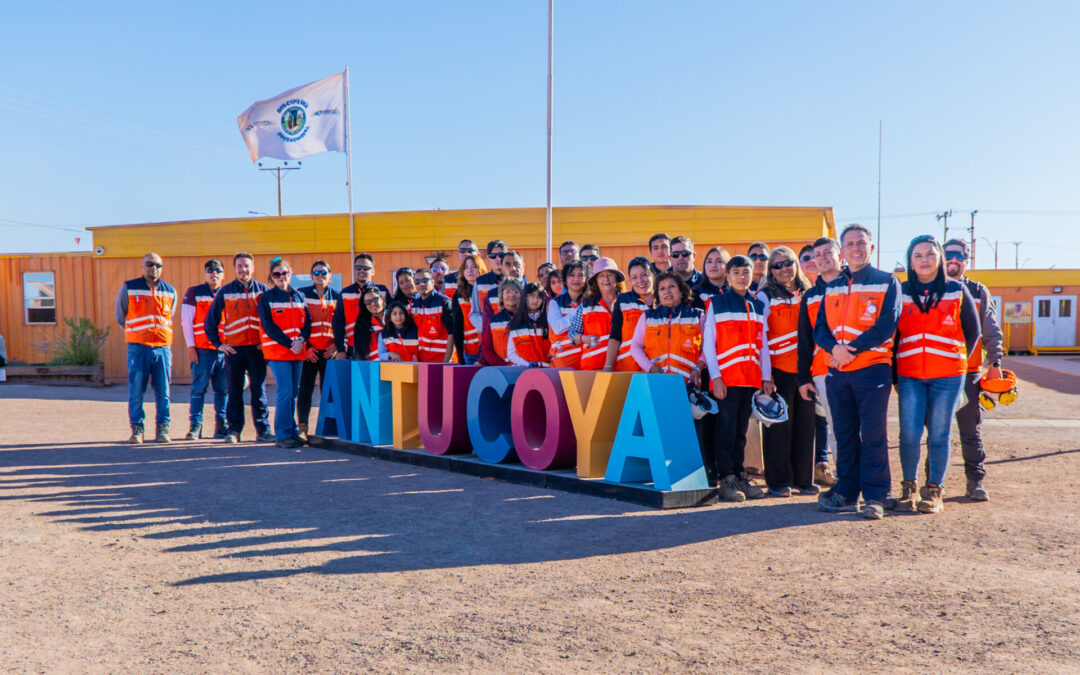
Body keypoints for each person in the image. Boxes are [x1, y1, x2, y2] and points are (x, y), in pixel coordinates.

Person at [814, 224, 902, 520]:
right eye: (849, 243)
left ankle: (877, 495)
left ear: (871, 247)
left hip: (873, 370)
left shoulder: (887, 281)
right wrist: (834, 350)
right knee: (845, 434)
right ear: (843, 250)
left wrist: (849, 349)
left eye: (860, 243)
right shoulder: (833, 285)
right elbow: (820, 329)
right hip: (838, 373)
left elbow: (886, 326)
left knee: (873, 434)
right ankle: (847, 492)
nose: (855, 248)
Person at [893, 235, 980, 513]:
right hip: (909, 375)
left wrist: (957, 362)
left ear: (939, 257)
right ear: (910, 261)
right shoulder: (900, 291)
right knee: (908, 432)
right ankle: (908, 488)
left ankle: (934, 491)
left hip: (948, 376)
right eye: (917, 255)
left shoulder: (956, 290)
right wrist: (895, 375)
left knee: (940, 434)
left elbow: (973, 331)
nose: (924, 260)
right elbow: (893, 334)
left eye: (930, 254)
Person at [944, 238, 1004, 501]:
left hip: (968, 372)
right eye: (948, 255)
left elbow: (990, 328)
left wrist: (995, 364)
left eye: (959, 255)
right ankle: (934, 484)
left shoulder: (978, 291)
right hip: (935, 373)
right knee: (936, 431)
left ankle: (975, 480)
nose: (953, 260)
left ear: (967, 260)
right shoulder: (930, 289)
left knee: (970, 429)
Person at [703, 255, 768, 501]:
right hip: (727, 380)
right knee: (726, 431)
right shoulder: (716, 303)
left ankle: (740, 475)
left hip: (750, 380)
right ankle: (726, 479)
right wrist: (716, 377)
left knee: (741, 432)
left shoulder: (758, 307)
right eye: (737, 272)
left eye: (746, 272)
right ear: (728, 276)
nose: (742, 277)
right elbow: (709, 344)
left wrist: (766, 377)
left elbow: (762, 346)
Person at [758, 246, 818, 497]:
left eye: (788, 263)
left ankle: (803, 480)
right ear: (771, 271)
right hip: (778, 369)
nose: (784, 269)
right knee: (780, 426)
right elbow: (760, 336)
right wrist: (766, 373)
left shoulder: (810, 293)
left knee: (806, 426)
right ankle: (779, 482)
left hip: (806, 371)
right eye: (778, 265)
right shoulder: (764, 296)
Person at [205, 252, 273, 444]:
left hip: (257, 350)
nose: (243, 269)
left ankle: (263, 430)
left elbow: (273, 320)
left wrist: (266, 341)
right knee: (234, 391)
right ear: (234, 269)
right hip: (234, 350)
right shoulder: (225, 292)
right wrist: (219, 344)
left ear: (253, 268)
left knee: (259, 391)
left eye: (247, 266)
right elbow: (210, 321)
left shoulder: (264, 291)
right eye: (240, 266)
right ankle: (234, 430)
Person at [797, 237, 844, 488]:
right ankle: (845, 482)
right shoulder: (811, 296)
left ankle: (867, 482)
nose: (823, 257)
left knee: (862, 430)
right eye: (818, 254)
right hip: (823, 371)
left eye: (828, 252)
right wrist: (803, 378)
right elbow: (805, 339)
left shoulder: (854, 285)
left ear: (840, 255)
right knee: (836, 429)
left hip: (859, 369)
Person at [115, 252, 177, 444]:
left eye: (158, 265)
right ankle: (137, 429)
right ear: (142, 266)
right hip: (138, 348)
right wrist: (137, 334)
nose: (154, 268)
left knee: (164, 392)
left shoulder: (170, 291)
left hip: (162, 349)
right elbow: (120, 315)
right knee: (136, 390)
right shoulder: (129, 288)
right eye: (150, 264)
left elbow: (170, 317)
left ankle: (163, 429)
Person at [256, 258, 312, 449]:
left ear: (291, 274)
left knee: (294, 393)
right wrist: (290, 343)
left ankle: (292, 431)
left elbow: (307, 323)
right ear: (271, 277)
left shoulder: (299, 296)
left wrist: (302, 340)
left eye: (284, 273)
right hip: (278, 352)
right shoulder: (266, 298)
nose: (281, 277)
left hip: (297, 352)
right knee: (285, 391)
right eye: (277, 274)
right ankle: (282, 434)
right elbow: (269, 326)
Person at [181, 258, 228, 440]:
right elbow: (186, 321)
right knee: (198, 389)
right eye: (210, 270)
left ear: (223, 275)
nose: (214, 273)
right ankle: (195, 425)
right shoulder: (194, 292)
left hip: (223, 350)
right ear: (205, 273)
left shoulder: (226, 293)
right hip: (202, 350)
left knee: (223, 390)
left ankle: (221, 425)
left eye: (217, 270)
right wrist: (190, 346)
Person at [297, 260, 339, 440]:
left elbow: (342, 324)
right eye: (316, 273)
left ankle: (328, 428)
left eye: (324, 273)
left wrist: (337, 345)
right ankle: (302, 427)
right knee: (305, 390)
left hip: (329, 351)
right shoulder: (302, 295)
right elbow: (296, 323)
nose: (320, 276)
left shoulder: (337, 295)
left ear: (330, 275)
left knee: (327, 390)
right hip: (309, 352)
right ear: (311, 276)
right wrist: (305, 347)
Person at [333, 253, 390, 360]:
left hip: (381, 347)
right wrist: (340, 349)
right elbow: (338, 322)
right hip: (354, 348)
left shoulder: (383, 291)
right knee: (359, 376)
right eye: (358, 268)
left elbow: (392, 318)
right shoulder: (345, 293)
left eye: (366, 268)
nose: (362, 271)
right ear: (354, 270)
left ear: (373, 271)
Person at [605, 256, 654, 372]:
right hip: (629, 368)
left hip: (658, 368)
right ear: (630, 281)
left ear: (653, 275)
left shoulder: (665, 299)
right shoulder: (623, 300)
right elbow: (615, 336)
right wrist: (608, 366)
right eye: (635, 277)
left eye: (644, 275)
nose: (640, 281)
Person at [548, 260, 587, 368]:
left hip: (587, 359)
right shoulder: (555, 303)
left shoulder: (593, 301)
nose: (576, 279)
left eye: (581, 275)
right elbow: (558, 327)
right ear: (564, 279)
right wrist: (580, 309)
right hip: (564, 363)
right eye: (572, 275)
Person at [411, 268, 453, 362]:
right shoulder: (414, 305)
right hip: (422, 361)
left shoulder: (444, 302)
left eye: (425, 281)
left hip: (441, 360)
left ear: (433, 282)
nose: (421, 284)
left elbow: (452, 333)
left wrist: (447, 362)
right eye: (417, 282)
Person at [507, 282, 552, 367]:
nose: (535, 300)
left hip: (548, 371)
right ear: (525, 297)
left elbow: (555, 348)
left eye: (539, 297)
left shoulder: (549, 321)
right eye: (532, 296)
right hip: (525, 372)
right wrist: (527, 364)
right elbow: (511, 354)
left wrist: (549, 365)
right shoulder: (515, 324)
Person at [450, 253, 484, 364]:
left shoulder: (487, 291)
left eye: (474, 267)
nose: (470, 270)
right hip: (470, 351)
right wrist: (460, 354)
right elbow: (457, 326)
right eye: (466, 267)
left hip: (488, 348)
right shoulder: (459, 294)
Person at [480, 279, 523, 366]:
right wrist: (503, 366)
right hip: (502, 370)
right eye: (507, 292)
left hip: (524, 368)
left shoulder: (527, 318)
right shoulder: (494, 321)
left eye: (515, 291)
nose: (512, 295)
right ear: (501, 296)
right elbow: (486, 349)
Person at [352, 285, 388, 361]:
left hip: (394, 367)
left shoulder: (394, 319)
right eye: (368, 302)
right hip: (372, 368)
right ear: (365, 306)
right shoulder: (362, 327)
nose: (373, 304)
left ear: (381, 299)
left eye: (375, 299)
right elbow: (359, 356)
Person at [473, 240, 508, 312]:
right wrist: (488, 323)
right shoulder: (480, 282)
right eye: (493, 256)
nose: (498, 259)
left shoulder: (516, 280)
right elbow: (474, 312)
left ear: (506, 256)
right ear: (488, 259)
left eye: (501, 255)